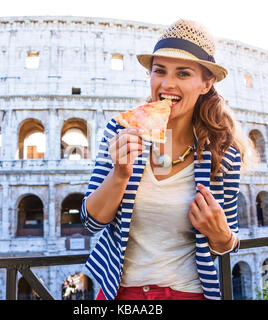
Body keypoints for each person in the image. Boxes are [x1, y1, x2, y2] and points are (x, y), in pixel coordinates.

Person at [81, 19, 253, 300]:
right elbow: (91, 222)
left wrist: (220, 234)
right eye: (159, 71)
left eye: (183, 74)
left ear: (206, 83)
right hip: (119, 292)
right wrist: (120, 175)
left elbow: (227, 243)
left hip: (188, 292)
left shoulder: (224, 154)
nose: (167, 84)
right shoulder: (121, 130)